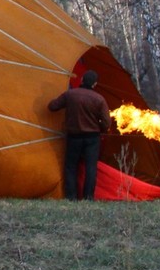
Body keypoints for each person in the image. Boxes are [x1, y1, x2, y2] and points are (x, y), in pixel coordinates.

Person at [48, 70, 113, 200]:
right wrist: (99, 128)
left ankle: (71, 197)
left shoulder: (70, 95)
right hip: (92, 138)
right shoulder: (99, 99)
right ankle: (88, 197)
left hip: (74, 137)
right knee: (90, 168)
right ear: (94, 84)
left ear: (82, 79)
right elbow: (107, 122)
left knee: (71, 167)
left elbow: (52, 106)